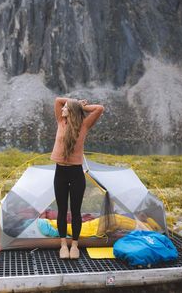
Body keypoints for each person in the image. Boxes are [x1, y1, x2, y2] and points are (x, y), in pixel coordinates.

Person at [51, 97, 104, 259]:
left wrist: (80, 107)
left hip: (76, 174)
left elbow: (99, 108)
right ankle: (63, 245)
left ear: (72, 111)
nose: (62, 109)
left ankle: (74, 245)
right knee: (61, 211)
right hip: (60, 172)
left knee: (75, 211)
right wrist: (74, 103)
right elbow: (58, 100)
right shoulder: (61, 122)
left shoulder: (84, 126)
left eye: (66, 108)